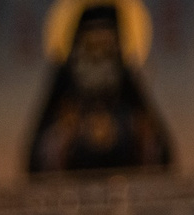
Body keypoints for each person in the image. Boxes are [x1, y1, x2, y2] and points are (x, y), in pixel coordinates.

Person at [26, 0, 171, 175]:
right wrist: (64, 136)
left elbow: (160, 161)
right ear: (75, 53)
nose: (98, 58)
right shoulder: (63, 113)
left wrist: (138, 135)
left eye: (107, 49)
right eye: (91, 48)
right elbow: (39, 166)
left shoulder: (135, 115)